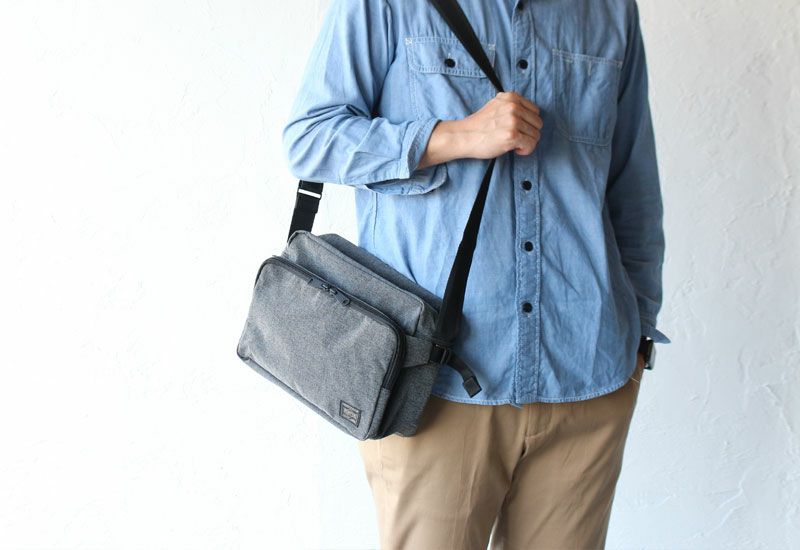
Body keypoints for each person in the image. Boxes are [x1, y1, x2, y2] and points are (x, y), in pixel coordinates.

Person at [282, 0, 670, 547]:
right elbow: (310, 138)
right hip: (433, 385)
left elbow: (633, 184)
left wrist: (639, 335)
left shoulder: (609, 10)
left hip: (586, 374)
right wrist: (457, 136)